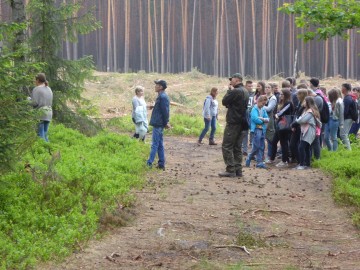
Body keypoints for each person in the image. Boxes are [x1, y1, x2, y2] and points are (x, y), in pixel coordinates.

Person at [219, 73, 249, 178]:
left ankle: (230, 169)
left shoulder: (235, 91)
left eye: (232, 79)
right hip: (242, 122)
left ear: (237, 80)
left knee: (227, 146)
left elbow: (224, 101)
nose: (230, 81)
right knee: (237, 147)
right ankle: (238, 170)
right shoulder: (245, 90)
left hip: (233, 122)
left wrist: (229, 90)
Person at [146, 80, 171, 170]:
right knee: (159, 144)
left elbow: (165, 111)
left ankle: (149, 163)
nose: (155, 86)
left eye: (157, 85)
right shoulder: (161, 96)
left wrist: (166, 122)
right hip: (159, 123)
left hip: (159, 124)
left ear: (161, 87)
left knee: (154, 144)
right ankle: (161, 164)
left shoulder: (163, 97)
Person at [294, 96, 322, 170]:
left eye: (304, 101)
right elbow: (301, 118)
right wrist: (299, 119)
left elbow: (301, 120)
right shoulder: (307, 110)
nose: (303, 103)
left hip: (309, 131)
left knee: (301, 147)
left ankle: (302, 164)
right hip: (306, 131)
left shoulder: (310, 112)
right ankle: (307, 164)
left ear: (308, 103)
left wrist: (297, 120)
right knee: (306, 148)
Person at [269, 89, 294, 167]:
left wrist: (277, 115)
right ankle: (271, 159)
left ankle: (284, 161)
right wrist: (276, 115)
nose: (280, 95)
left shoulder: (289, 103)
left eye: (282, 94)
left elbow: (282, 112)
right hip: (279, 125)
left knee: (284, 143)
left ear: (286, 95)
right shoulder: (280, 102)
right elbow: (275, 112)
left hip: (285, 126)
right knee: (274, 142)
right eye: (280, 94)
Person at [245, 95, 269, 169]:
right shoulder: (254, 109)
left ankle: (259, 162)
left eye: (264, 104)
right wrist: (263, 121)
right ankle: (250, 156)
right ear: (258, 101)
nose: (263, 105)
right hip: (256, 129)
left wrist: (263, 119)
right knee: (256, 146)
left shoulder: (263, 109)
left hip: (262, 130)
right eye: (262, 103)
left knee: (262, 146)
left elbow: (268, 118)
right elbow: (255, 119)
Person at [31, 73, 53, 142]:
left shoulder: (37, 89)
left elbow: (34, 103)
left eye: (35, 80)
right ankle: (48, 150)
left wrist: (28, 100)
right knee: (45, 134)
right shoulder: (49, 88)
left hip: (41, 113)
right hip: (49, 112)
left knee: (40, 135)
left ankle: (43, 149)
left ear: (37, 80)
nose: (35, 82)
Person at [263, 83, 277, 163]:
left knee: (270, 139)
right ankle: (263, 155)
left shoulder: (273, 98)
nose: (267, 88)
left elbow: (269, 109)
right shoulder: (264, 96)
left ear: (271, 89)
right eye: (266, 87)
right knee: (263, 138)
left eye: (268, 87)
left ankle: (270, 156)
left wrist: (259, 105)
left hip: (270, 120)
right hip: (263, 119)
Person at [242, 80, 255, 156]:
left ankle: (253, 149)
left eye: (251, 86)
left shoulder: (254, 94)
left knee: (253, 131)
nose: (250, 87)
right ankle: (244, 149)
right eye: (249, 86)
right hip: (245, 114)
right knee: (245, 132)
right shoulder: (243, 93)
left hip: (252, 114)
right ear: (245, 86)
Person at [340, 83, 354, 150]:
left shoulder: (347, 99)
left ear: (345, 89)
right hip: (349, 118)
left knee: (343, 134)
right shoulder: (348, 97)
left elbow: (345, 111)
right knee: (344, 134)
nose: (341, 89)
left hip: (347, 118)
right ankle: (347, 149)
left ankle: (348, 150)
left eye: (342, 87)